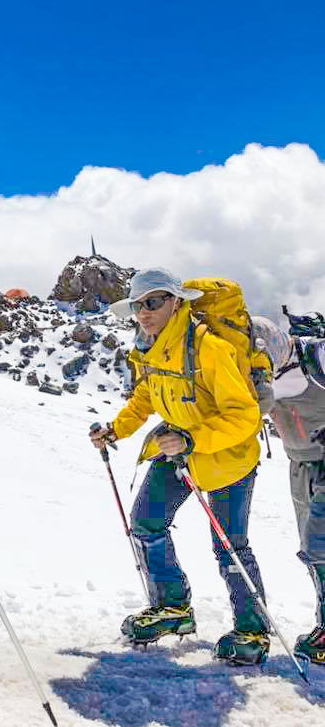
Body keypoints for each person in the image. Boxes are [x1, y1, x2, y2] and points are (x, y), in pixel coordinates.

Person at [90, 268, 271, 665]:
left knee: (230, 547)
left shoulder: (209, 349)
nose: (144, 312)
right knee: (146, 522)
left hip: (226, 457)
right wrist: (116, 430)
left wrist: (193, 440)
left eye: (153, 301)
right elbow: (145, 397)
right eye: (138, 305)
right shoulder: (150, 347)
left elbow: (245, 416)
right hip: (176, 450)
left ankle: (253, 631)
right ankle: (173, 608)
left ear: (176, 302)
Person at [252, 316, 325, 665]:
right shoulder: (254, 374)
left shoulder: (318, 359)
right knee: (312, 551)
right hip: (299, 465)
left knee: (319, 546)